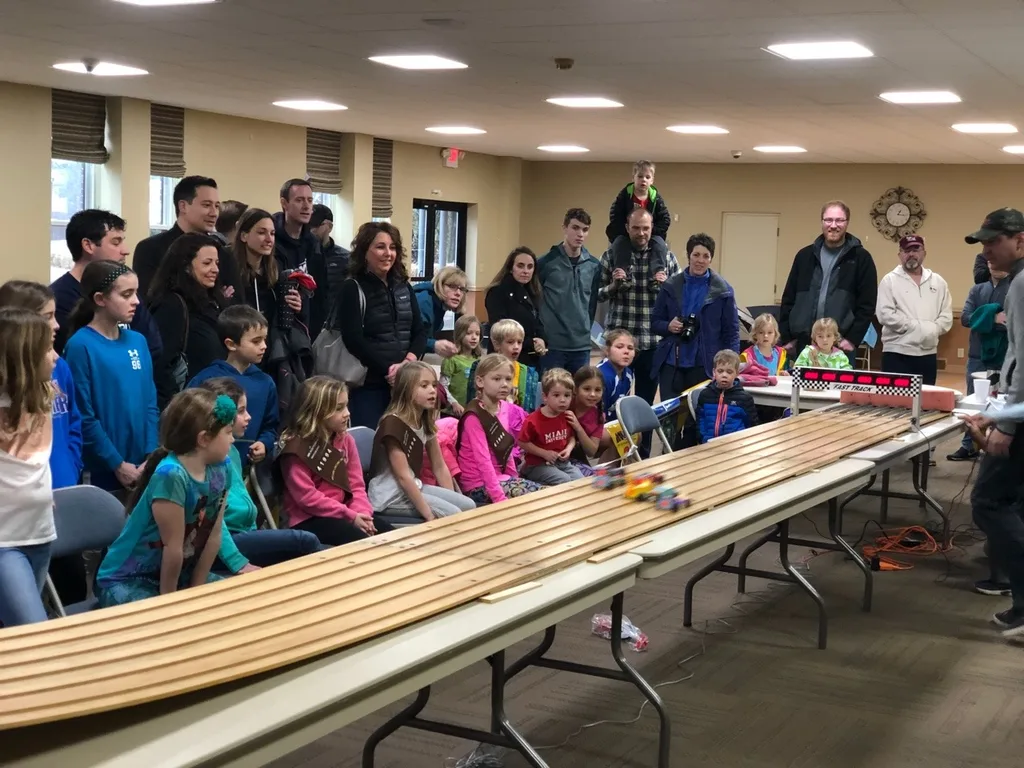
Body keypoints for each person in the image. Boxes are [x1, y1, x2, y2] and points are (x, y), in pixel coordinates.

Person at [94, 389, 236, 607]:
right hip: (127, 580)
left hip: (179, 575)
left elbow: (213, 535)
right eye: (228, 432)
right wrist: (171, 609)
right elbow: (173, 547)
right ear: (204, 439)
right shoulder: (171, 475)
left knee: (230, 602)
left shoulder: (222, 467)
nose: (233, 439)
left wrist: (197, 591)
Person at [0, 282, 85, 605]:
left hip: (42, 525)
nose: (56, 353)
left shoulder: (46, 391)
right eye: (47, 319)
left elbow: (74, 425)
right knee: (28, 624)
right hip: (7, 536)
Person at [962, 208, 1024, 623]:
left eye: (993, 241)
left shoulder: (1020, 284)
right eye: (982, 242)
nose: (986, 250)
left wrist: (1005, 421)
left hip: (1018, 422)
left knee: (989, 502)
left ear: (1020, 240)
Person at [194, 378, 323, 567]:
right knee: (305, 541)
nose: (249, 417)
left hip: (244, 535)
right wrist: (240, 564)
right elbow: (214, 526)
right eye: (240, 411)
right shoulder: (207, 460)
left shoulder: (232, 452)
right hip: (225, 542)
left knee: (322, 547)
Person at [64, 261, 159, 493]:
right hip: (102, 469)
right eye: (126, 294)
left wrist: (151, 454)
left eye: (136, 293)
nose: (136, 301)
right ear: (100, 299)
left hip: (143, 465)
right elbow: (83, 414)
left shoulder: (137, 341)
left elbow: (150, 404)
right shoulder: (80, 345)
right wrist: (116, 463)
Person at [278, 376, 392, 545]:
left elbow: (356, 486)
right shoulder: (296, 449)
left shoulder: (346, 440)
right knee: (365, 544)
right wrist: (350, 516)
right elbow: (307, 498)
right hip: (309, 519)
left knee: (394, 537)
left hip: (347, 513)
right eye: (339, 408)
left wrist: (362, 514)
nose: (347, 413)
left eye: (346, 405)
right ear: (317, 412)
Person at [0, 308, 58, 626]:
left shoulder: (41, 399)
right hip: (4, 543)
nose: (56, 356)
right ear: (24, 356)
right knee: (33, 631)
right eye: (48, 348)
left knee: (11, 635)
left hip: (40, 533)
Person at [338, 221, 426, 429]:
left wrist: (407, 363)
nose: (388, 253)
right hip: (369, 385)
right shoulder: (353, 287)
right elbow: (353, 340)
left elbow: (420, 332)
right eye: (380, 247)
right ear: (364, 251)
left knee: (405, 446)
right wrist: (389, 370)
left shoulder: (403, 286)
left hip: (406, 383)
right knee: (370, 446)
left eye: (392, 247)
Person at [367, 362, 475, 520]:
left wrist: (451, 497)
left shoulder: (423, 420)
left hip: (414, 487)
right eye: (424, 386)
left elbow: (439, 466)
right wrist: (430, 517)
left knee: (468, 506)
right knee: (454, 515)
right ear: (406, 391)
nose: (432, 391)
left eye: (434, 385)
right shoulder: (392, 424)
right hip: (389, 497)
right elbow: (404, 477)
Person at [52, 209, 163, 360]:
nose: (125, 251)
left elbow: (153, 346)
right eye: (116, 242)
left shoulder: (128, 291)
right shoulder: (59, 298)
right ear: (88, 245)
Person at [598, 208, 680, 406]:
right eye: (636, 228)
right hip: (619, 341)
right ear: (627, 228)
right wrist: (614, 286)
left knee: (646, 403)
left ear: (652, 229)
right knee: (611, 399)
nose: (641, 233)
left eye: (645, 228)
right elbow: (597, 295)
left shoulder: (667, 259)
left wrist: (666, 286)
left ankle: (644, 438)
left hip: (652, 342)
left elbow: (679, 301)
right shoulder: (611, 256)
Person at [779, 200, 877, 364]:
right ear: (822, 222)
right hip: (804, 344)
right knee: (801, 390)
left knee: (836, 390)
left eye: (839, 220)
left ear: (847, 223)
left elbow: (867, 305)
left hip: (840, 346)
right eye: (828, 220)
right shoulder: (804, 256)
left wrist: (852, 339)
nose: (833, 225)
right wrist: (788, 337)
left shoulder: (861, 259)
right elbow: (788, 298)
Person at [651, 232, 740, 400]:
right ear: (688, 255)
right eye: (696, 255)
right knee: (669, 418)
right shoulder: (670, 286)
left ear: (711, 259)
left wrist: (731, 365)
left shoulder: (723, 291)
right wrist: (668, 326)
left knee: (697, 419)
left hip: (705, 364)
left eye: (706, 256)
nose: (700, 260)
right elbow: (655, 322)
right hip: (672, 363)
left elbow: (732, 331)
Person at [187, 305, 278, 466]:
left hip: (247, 471)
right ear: (231, 344)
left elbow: (271, 425)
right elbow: (188, 421)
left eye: (264, 339)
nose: (264, 346)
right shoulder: (207, 379)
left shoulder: (265, 382)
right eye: (256, 341)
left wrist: (265, 443)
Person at [149, 233, 228, 408]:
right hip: (188, 408)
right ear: (186, 266)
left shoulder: (213, 302)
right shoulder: (172, 305)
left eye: (217, 263)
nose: (215, 269)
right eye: (207, 263)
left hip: (215, 401)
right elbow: (161, 365)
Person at [133, 176, 239, 302]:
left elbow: (238, 307)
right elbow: (148, 301)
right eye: (206, 205)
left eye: (217, 206)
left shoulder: (223, 253)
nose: (214, 213)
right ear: (183, 206)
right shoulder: (151, 249)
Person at [456, 354, 541, 506]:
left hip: (500, 479)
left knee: (544, 494)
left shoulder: (504, 408)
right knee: (538, 497)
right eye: (497, 379)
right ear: (480, 381)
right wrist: (500, 500)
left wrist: (515, 479)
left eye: (508, 379)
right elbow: (483, 461)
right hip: (477, 485)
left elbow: (505, 449)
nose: (504, 384)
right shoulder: (474, 416)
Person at [948, 260, 1012, 462]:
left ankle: (996, 445)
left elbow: (1012, 321)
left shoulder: (1015, 288)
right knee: (973, 402)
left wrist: (983, 318)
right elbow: (966, 318)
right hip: (977, 356)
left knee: (1001, 403)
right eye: (991, 262)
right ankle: (969, 445)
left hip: (1005, 357)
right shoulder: (977, 290)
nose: (996, 265)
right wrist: (992, 318)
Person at [875, 235, 953, 385]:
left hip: (928, 353)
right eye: (906, 250)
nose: (911, 254)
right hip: (897, 353)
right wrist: (914, 328)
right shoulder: (889, 280)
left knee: (925, 403)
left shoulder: (938, 282)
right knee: (895, 403)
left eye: (916, 249)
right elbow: (885, 314)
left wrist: (932, 330)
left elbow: (946, 316)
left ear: (924, 253)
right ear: (900, 255)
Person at [537, 210, 602, 374]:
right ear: (564, 228)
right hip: (553, 344)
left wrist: (586, 329)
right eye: (575, 228)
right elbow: (535, 299)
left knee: (580, 395)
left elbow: (592, 303)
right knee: (552, 394)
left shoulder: (594, 265)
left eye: (585, 229)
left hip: (581, 345)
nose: (580, 234)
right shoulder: (546, 262)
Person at [232, 208, 303, 333]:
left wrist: (293, 306)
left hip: (272, 342)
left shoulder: (278, 268)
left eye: (272, 233)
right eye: (261, 232)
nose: (269, 239)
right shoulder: (229, 268)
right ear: (244, 236)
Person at [605, 161, 671, 283]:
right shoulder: (625, 195)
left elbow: (665, 219)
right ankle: (622, 273)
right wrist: (627, 231)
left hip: (651, 234)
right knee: (619, 244)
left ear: (652, 180)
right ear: (633, 177)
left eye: (647, 177)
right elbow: (615, 215)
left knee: (660, 245)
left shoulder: (655, 197)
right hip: (626, 233)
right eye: (640, 176)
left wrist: (651, 231)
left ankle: (657, 274)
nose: (643, 180)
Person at [519, 368, 584, 486]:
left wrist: (568, 449)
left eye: (567, 395)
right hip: (537, 464)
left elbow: (572, 438)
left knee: (580, 479)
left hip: (561, 463)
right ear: (545, 397)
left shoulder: (567, 415)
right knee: (564, 480)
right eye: (556, 395)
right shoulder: (533, 420)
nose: (563, 400)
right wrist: (544, 453)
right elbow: (522, 442)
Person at [488, 246, 548, 371]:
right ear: (511, 268)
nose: (525, 271)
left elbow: (538, 322)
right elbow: (500, 330)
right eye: (520, 266)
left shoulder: (533, 292)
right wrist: (531, 343)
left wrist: (542, 340)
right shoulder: (497, 292)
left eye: (530, 267)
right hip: (505, 358)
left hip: (531, 357)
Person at [465, 319, 540, 412]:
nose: (516, 346)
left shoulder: (528, 373)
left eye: (519, 342)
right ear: (496, 344)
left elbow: (529, 410)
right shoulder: (482, 366)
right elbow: (472, 402)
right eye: (510, 342)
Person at [691, 349, 758, 443]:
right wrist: (702, 437)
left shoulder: (744, 398)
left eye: (729, 372)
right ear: (714, 372)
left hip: (735, 446)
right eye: (720, 371)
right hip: (708, 444)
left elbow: (751, 424)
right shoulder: (705, 395)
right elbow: (700, 419)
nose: (724, 375)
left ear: (737, 373)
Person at [308, 203, 350, 337]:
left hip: (335, 330)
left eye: (315, 226)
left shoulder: (346, 259)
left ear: (329, 227)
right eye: (308, 226)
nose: (311, 230)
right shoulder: (301, 255)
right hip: (306, 326)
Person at [414, 265, 468, 358]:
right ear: (439, 285)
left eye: (462, 289)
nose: (458, 293)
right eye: (452, 286)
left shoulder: (439, 304)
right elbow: (410, 338)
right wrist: (434, 345)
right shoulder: (424, 301)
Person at [567, 365, 608, 474]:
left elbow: (591, 451)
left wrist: (578, 427)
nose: (592, 394)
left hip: (576, 457)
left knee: (592, 478)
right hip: (551, 456)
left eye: (598, 390)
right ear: (575, 389)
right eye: (586, 389)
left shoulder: (598, 415)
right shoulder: (564, 404)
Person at [441, 314, 482, 406]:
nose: (474, 337)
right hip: (451, 411)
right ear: (459, 334)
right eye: (469, 333)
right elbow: (443, 386)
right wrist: (454, 403)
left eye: (477, 334)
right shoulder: (451, 359)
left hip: (470, 410)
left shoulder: (479, 361)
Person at [597, 329, 636, 421]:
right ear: (607, 350)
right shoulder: (602, 376)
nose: (626, 352)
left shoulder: (628, 374)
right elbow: (596, 416)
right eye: (619, 347)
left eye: (630, 348)